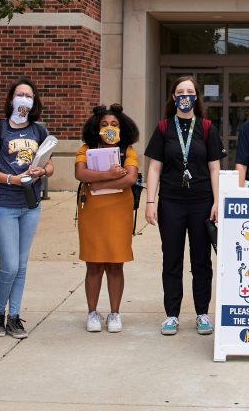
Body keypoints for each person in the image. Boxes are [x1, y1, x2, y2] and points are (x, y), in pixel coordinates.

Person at [145, 76, 226, 336]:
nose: (185, 96)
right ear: (173, 96)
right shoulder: (162, 128)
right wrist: (150, 201)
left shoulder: (206, 127)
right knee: (172, 259)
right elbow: (154, 168)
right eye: (180, 91)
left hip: (202, 202)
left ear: (196, 97)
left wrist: (217, 201)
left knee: (201, 260)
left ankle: (202, 313)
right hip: (171, 203)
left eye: (189, 92)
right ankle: (172, 315)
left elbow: (215, 168)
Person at [0, 77, 55, 339]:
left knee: (22, 266)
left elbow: (51, 166)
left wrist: (41, 170)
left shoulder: (39, 131)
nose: (24, 99)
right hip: (4, 205)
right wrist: (11, 179)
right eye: (20, 94)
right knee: (9, 265)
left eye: (29, 96)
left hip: (30, 205)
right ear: (11, 99)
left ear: (34, 102)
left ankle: (14, 317)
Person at [74, 104, 140, 333]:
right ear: (96, 127)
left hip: (118, 211)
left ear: (122, 128)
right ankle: (92, 313)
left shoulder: (127, 151)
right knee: (93, 264)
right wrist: (111, 175)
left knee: (115, 263)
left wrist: (98, 182)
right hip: (92, 211)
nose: (109, 127)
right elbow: (80, 174)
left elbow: (130, 179)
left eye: (114, 124)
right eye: (104, 124)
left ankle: (114, 313)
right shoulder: (86, 148)